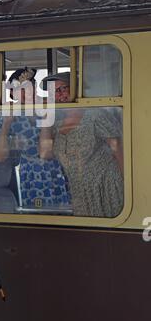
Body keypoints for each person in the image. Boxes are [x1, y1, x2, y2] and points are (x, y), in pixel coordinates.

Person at [39, 73, 124, 217]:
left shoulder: (95, 115)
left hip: (106, 188)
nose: (60, 95)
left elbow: (119, 151)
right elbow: (45, 154)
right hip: (79, 193)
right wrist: (47, 117)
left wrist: (129, 186)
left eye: (64, 88)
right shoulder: (57, 124)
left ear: (76, 90)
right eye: (54, 92)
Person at [0, 67, 71, 211]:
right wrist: (6, 124)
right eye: (19, 89)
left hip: (58, 167)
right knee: (37, 214)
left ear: (35, 87)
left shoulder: (51, 104)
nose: (25, 92)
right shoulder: (10, 114)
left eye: (28, 86)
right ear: (12, 93)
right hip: (31, 174)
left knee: (64, 211)